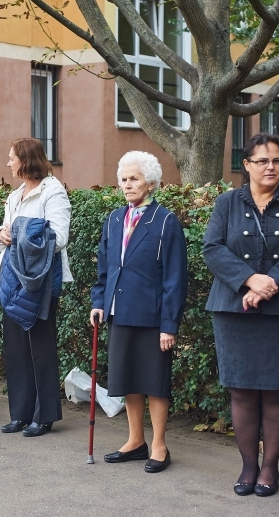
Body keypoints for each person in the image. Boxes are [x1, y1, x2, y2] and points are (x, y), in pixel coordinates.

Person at [203, 133, 279, 496]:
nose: (271, 167)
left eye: (276, 160)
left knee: (275, 392)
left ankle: (270, 468)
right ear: (247, 166)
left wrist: (271, 282)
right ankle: (248, 467)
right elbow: (212, 248)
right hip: (232, 310)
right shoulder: (227, 203)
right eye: (262, 160)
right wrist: (249, 279)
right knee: (240, 392)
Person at [90, 151, 187, 473]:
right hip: (120, 311)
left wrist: (169, 325)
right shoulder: (114, 218)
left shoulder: (165, 221)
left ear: (151, 182)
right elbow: (105, 268)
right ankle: (135, 440)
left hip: (152, 314)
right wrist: (98, 301)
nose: (127, 185)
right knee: (128, 377)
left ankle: (159, 444)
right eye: (123, 180)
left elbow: (175, 277)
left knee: (154, 381)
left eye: (133, 179)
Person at [0, 138, 71, 437]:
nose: (8, 163)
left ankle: (45, 415)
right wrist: (1, 233)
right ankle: (21, 414)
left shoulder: (53, 191)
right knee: (15, 350)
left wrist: (21, 231)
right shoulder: (15, 195)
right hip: (12, 279)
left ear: (26, 160)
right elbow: (2, 234)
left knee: (40, 348)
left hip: (40, 282)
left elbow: (59, 237)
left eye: (12, 158)